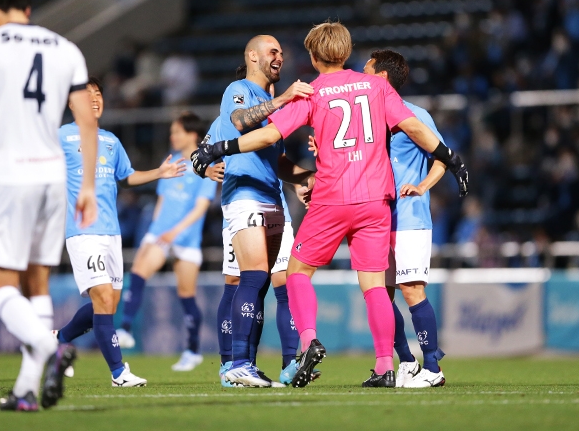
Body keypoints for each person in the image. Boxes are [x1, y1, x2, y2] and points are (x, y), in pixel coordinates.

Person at [192, 21, 468, 388]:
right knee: (374, 287)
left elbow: (270, 134)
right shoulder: (377, 86)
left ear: (313, 55)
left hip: (334, 196)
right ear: (347, 49)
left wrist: (219, 148)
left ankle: (308, 342)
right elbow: (415, 127)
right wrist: (450, 157)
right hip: (376, 200)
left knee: (297, 272)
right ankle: (386, 366)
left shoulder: (312, 91)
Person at [0, 0, 98, 411]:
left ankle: (46, 344)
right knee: (37, 282)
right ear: (29, 8)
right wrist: (89, 185)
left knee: (3, 286)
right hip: (54, 177)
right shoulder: (65, 49)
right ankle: (24, 391)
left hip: (9, 175)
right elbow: (87, 121)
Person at [55, 77, 186, 386]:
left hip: (111, 233)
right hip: (83, 231)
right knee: (102, 299)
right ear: (72, 103)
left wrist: (159, 172)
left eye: (98, 94)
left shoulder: (111, 140)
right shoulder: (61, 136)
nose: (95, 100)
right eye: (87, 96)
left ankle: (59, 339)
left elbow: (126, 177)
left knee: (108, 306)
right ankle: (118, 373)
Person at [201, 36, 314, 387]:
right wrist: (283, 99)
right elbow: (237, 123)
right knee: (249, 277)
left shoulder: (270, 103)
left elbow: (275, 159)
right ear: (252, 56)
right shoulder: (239, 89)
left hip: (272, 197)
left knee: (265, 281)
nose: (279, 56)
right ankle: (234, 362)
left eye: (281, 52)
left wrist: (306, 178)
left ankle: (247, 364)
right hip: (245, 194)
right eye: (272, 51)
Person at [363, 50, 446, 388]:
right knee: (381, 293)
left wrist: (422, 186)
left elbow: (442, 158)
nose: (360, 75)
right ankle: (407, 362)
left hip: (409, 218)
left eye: (366, 71)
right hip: (375, 219)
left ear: (381, 78)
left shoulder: (416, 115)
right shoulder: (364, 119)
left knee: (411, 291)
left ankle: (433, 368)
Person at [115, 112, 215, 371]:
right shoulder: (169, 161)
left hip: (185, 238)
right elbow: (161, 200)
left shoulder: (205, 165)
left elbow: (200, 208)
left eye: (177, 131)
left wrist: (175, 231)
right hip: (161, 233)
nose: (172, 136)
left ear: (192, 135)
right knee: (138, 271)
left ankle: (193, 350)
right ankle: (125, 328)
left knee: (187, 295)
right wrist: (156, 230)